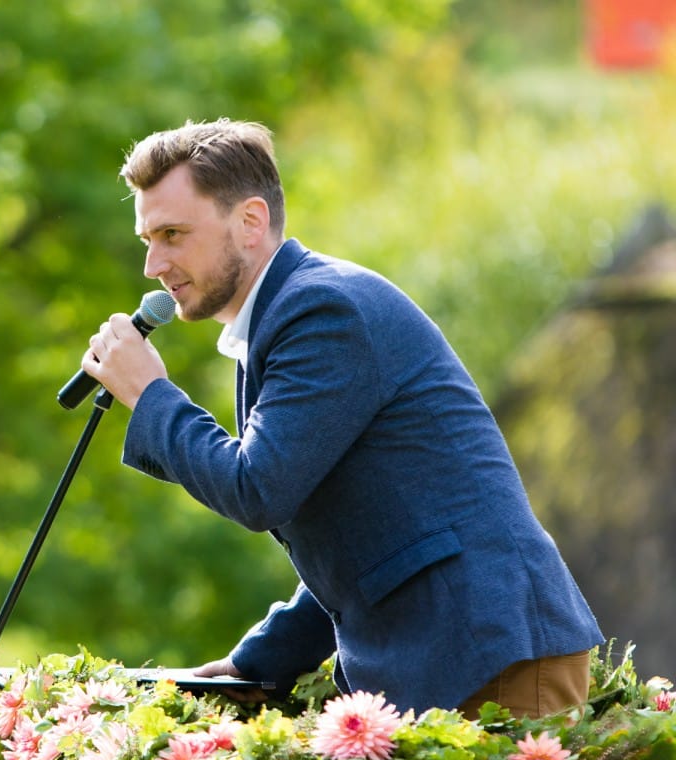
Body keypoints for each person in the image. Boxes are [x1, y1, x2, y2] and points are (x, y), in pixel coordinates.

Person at [80, 118, 603, 718]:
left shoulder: (322, 309)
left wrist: (152, 396)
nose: (153, 263)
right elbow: (366, 538)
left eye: (173, 234)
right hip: (458, 654)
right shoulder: (283, 317)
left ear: (250, 222)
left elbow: (256, 489)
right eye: (147, 239)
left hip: (487, 654)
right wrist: (264, 658)